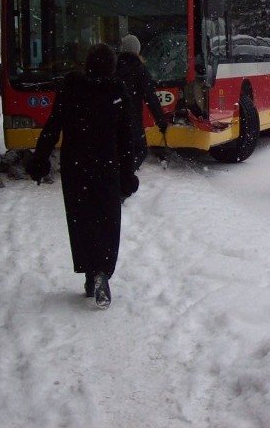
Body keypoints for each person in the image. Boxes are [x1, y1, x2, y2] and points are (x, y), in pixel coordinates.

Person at [25, 44, 138, 309]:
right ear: (111, 67)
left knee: (82, 219)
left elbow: (53, 125)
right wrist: (127, 173)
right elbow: (126, 137)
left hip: (76, 167)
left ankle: (90, 272)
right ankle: (101, 272)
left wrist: (40, 159)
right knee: (108, 220)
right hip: (106, 166)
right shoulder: (116, 91)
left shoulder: (71, 87)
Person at [116, 34, 167, 169]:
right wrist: (161, 121)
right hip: (132, 119)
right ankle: (125, 176)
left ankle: (117, 175)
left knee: (117, 151)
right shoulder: (139, 70)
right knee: (139, 150)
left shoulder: (113, 68)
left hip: (113, 118)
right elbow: (150, 98)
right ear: (137, 50)